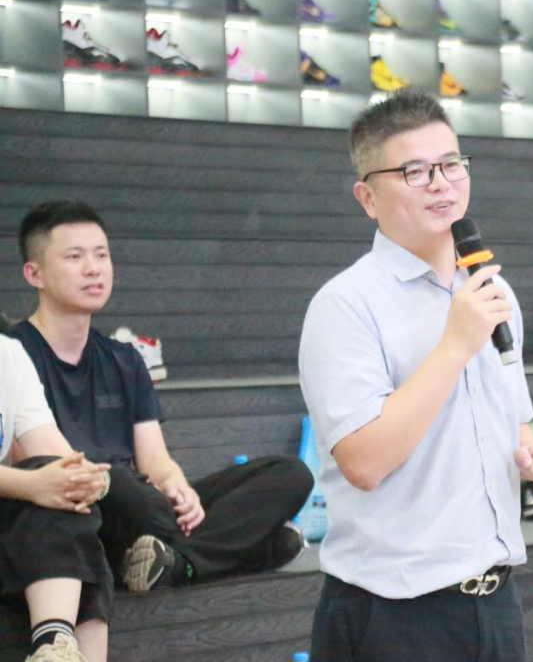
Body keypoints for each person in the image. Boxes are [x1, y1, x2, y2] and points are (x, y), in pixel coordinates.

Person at [299, 89, 533, 662]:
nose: (441, 183)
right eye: (415, 171)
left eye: (451, 164)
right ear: (367, 197)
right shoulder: (346, 305)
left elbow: (511, 422)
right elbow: (364, 462)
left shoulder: (491, 290)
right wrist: (454, 345)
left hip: (495, 599)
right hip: (393, 613)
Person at [8, 200, 314, 594]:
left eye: (101, 255)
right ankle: (239, 551)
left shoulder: (124, 359)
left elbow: (154, 460)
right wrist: (136, 495)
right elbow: (30, 462)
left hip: (142, 506)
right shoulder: (11, 354)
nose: (93, 268)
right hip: (78, 510)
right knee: (122, 485)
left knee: (290, 474)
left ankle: (176, 563)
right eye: (74, 257)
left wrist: (176, 486)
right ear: (34, 273)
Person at [1, 334, 112, 662]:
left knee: (68, 496)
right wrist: (30, 484)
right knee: (47, 490)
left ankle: (54, 648)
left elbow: (50, 448)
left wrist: (86, 480)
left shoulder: (8, 354)